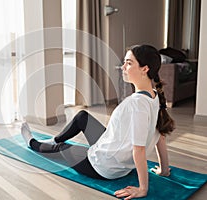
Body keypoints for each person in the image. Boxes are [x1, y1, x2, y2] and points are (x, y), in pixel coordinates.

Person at [21, 44, 175, 199]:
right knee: (82, 117)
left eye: (129, 63)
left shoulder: (136, 104)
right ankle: (53, 139)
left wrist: (143, 189)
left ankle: (32, 143)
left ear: (145, 69)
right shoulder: (155, 96)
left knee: (61, 148)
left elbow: (139, 149)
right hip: (113, 151)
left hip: (102, 166)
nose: (123, 67)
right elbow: (160, 135)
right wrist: (164, 170)